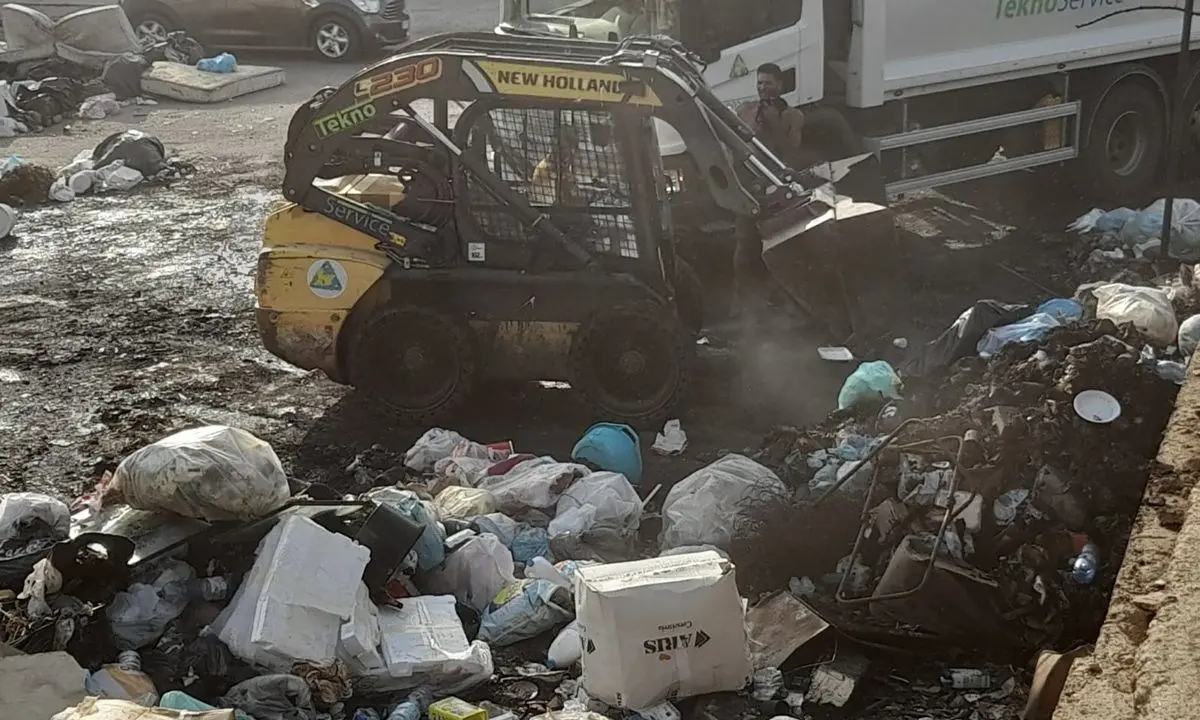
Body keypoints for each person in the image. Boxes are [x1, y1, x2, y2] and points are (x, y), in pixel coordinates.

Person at [736, 63, 805, 166]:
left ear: (779, 85)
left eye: (768, 83)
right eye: (759, 83)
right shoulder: (745, 109)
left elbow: (792, 151)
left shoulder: (794, 116)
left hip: (775, 171)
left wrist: (775, 120)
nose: (762, 87)